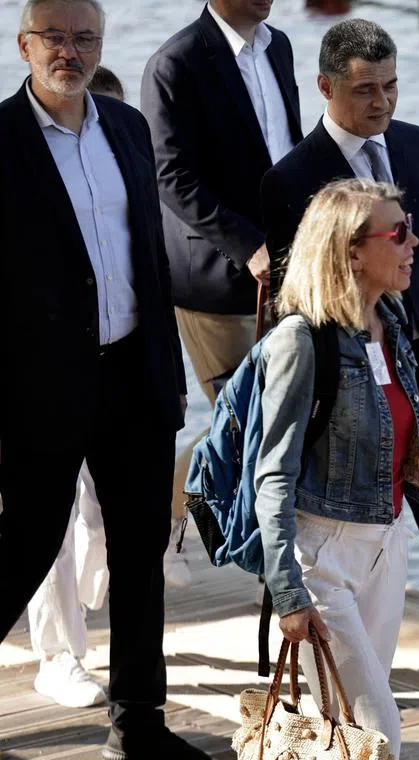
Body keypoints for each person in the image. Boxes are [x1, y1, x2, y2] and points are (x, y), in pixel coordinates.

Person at [260, 18, 419, 723]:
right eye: (365, 90)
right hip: (344, 385)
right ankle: (321, 672)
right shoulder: (292, 178)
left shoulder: (416, 144)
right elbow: (294, 297)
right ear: (325, 87)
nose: (381, 102)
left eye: (391, 86)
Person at [0, 0, 202, 757]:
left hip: (133, 376)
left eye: (85, 39)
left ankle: (139, 724)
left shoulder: (127, 126)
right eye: (54, 38)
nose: (70, 52)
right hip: (39, 387)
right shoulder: (2, 138)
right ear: (24, 44)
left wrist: (169, 371)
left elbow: (149, 255)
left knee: (140, 553)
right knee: (24, 547)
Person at [256, 177, 419, 760]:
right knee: (379, 733)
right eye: (397, 233)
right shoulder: (301, 340)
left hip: (387, 549)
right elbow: (273, 476)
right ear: (351, 252)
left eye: (409, 228)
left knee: (347, 735)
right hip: (324, 558)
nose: (414, 242)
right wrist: (288, 592)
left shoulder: (390, 323)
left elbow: (416, 451)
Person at [140, 0, 303, 586]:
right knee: (244, 419)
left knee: (283, 414)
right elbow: (169, 175)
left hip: (289, 268)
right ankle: (163, 517)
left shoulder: (279, 46)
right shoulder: (175, 62)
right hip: (215, 278)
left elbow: (287, 150)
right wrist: (247, 244)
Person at [21, 64, 123, 711]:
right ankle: (58, 656)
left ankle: (82, 603)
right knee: (48, 517)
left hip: (119, 367)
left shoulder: (126, 169)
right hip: (37, 373)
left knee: (101, 513)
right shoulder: (21, 167)